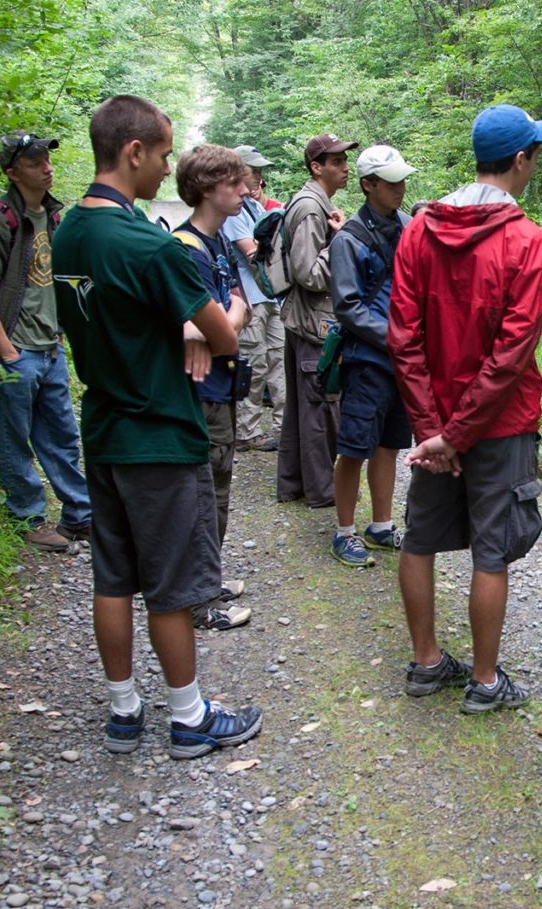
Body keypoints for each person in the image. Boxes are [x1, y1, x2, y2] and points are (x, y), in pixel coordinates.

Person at [51, 95, 262, 758]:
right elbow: (224, 338)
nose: (167, 166)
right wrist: (229, 307)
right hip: (160, 435)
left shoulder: (67, 236)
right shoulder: (146, 243)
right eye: (165, 153)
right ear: (134, 151)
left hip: (105, 427)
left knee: (112, 576)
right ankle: (189, 717)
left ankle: (122, 711)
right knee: (170, 583)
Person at [387, 104, 542, 713]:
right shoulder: (528, 242)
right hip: (500, 425)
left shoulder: (419, 229)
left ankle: (427, 662)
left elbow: (402, 337)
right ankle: (485, 682)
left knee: (420, 537)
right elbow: (512, 354)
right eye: (536, 153)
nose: (536, 162)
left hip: (435, 423)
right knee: (492, 549)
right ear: (519, 160)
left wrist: (433, 430)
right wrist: (454, 437)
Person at [0, 132, 91, 551]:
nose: (46, 168)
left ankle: (79, 515)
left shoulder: (53, 218)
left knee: (64, 436)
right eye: (34, 163)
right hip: (15, 353)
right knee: (14, 440)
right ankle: (29, 518)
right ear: (13, 172)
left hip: (49, 348)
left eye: (47, 160)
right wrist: (8, 352)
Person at [172, 144, 255, 631]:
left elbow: (239, 305)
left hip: (221, 385)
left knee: (219, 488)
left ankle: (210, 578)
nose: (245, 190)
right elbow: (218, 327)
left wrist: (224, 323)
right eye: (234, 183)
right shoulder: (186, 249)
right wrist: (221, 325)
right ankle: (200, 600)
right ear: (207, 189)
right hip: (202, 392)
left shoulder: (219, 242)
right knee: (205, 494)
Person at [327, 145, 417, 567]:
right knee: (355, 447)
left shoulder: (408, 225)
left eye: (402, 180)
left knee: (389, 445)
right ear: (368, 185)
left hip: (403, 360)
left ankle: (380, 525)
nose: (400, 188)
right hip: (368, 360)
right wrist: (396, 337)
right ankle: (343, 531)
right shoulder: (348, 239)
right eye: (391, 182)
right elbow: (347, 306)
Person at [276, 132, 357, 508]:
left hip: (303, 321)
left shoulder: (314, 202)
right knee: (320, 409)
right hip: (313, 323)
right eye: (337, 162)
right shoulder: (311, 207)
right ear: (316, 167)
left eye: (344, 160)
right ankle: (323, 492)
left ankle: (294, 484)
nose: (345, 168)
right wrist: (341, 243)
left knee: (302, 410)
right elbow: (308, 273)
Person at [221, 145, 285, 452]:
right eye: (253, 170)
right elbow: (251, 253)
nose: (259, 177)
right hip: (252, 298)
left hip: (272, 297)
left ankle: (282, 428)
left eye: (260, 171)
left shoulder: (255, 208)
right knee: (254, 363)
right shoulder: (233, 211)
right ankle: (245, 432)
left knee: (279, 359)